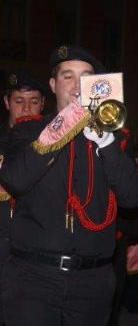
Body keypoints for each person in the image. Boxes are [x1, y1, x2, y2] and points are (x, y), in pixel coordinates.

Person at [0, 45, 138, 326]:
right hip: (33, 277)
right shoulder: (27, 131)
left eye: (86, 76)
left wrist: (106, 142)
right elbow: (15, 179)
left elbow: (133, 198)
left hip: (93, 281)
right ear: (53, 85)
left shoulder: (115, 136)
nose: (78, 85)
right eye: (68, 76)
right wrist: (65, 124)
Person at [0, 71, 46, 325]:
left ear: (44, 104)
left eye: (34, 101)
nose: (26, 108)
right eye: (19, 101)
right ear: (7, 102)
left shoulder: (55, 146)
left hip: (36, 261)